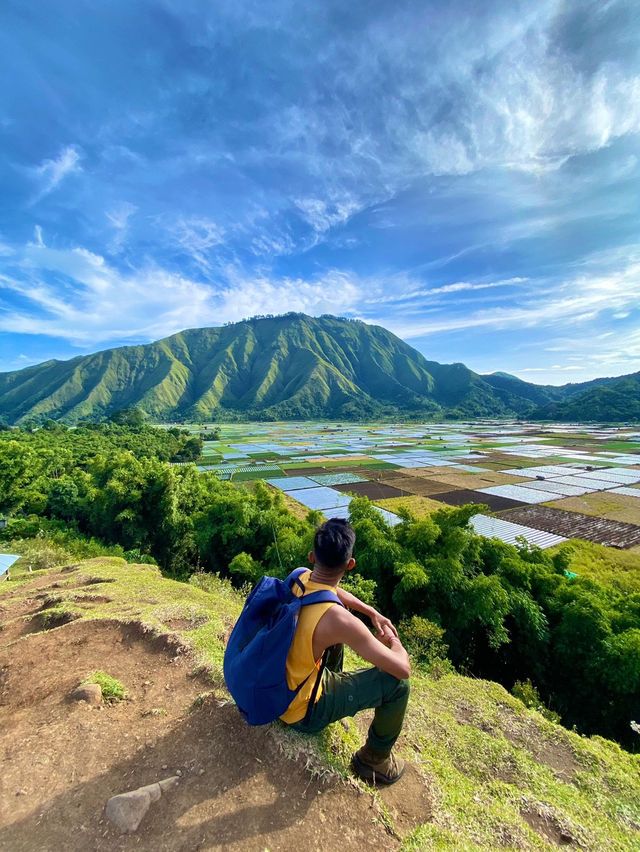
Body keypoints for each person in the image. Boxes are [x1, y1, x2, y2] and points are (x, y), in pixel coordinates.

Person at [280, 517, 411, 785]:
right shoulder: (338, 621)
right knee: (398, 686)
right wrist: (393, 641)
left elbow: (333, 591)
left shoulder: (299, 576)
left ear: (312, 556)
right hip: (300, 714)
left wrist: (372, 612)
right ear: (350, 564)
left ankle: (331, 696)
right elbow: (402, 669)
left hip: (277, 689)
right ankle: (374, 761)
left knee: (331, 641)